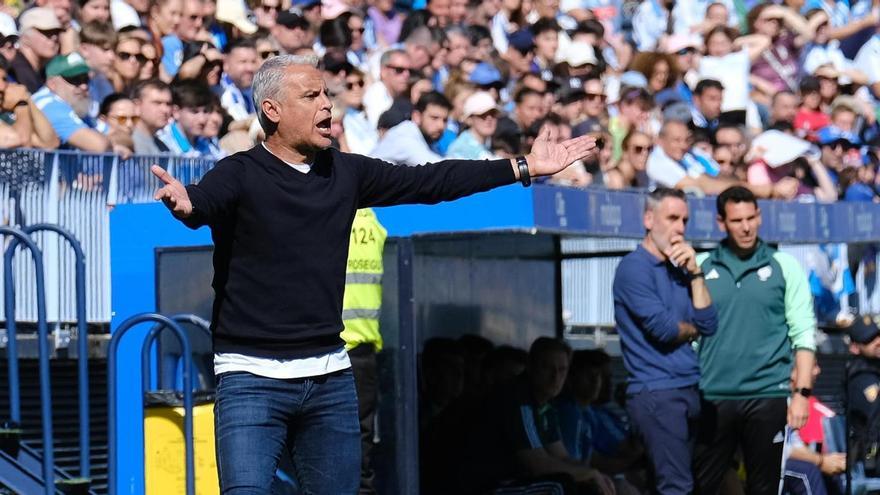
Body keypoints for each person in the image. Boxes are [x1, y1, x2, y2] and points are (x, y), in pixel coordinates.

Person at [149, 54, 598, 494]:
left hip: (328, 378)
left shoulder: (346, 172)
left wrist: (522, 167)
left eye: (326, 93)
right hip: (250, 378)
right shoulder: (240, 173)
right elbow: (201, 202)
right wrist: (187, 205)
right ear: (273, 110)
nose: (327, 104)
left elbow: (431, 182)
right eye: (311, 95)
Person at [694, 186, 818, 495]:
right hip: (711, 395)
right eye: (737, 221)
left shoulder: (784, 266)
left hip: (767, 395)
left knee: (763, 488)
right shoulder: (700, 265)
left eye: (752, 218)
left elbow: (803, 333)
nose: (747, 227)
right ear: (721, 222)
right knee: (702, 486)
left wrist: (802, 393)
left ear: (760, 217)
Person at [612, 187, 717, 494]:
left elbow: (708, 323)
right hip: (657, 392)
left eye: (684, 220)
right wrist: (691, 327)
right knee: (676, 487)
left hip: (688, 387)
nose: (680, 228)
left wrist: (696, 274)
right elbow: (666, 330)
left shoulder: (682, 268)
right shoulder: (634, 268)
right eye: (672, 218)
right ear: (648, 218)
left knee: (694, 483)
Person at [341, 207, 387, 495]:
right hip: (363, 351)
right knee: (361, 442)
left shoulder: (330, 214)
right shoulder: (372, 221)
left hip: (331, 348)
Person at [33, 53, 111, 152]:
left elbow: (118, 135)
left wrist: (111, 143)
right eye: (75, 80)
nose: (84, 86)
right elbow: (98, 146)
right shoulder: (49, 105)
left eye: (85, 79)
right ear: (52, 83)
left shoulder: (76, 107)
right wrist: (115, 147)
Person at [370, 91, 450, 165]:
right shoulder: (403, 137)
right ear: (417, 117)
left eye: (445, 120)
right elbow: (437, 167)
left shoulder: (427, 139)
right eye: (434, 118)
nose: (441, 126)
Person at [846, 315, 880, 481]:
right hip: (870, 457)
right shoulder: (861, 378)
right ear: (855, 347)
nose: (878, 341)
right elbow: (874, 422)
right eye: (869, 340)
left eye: (878, 335)